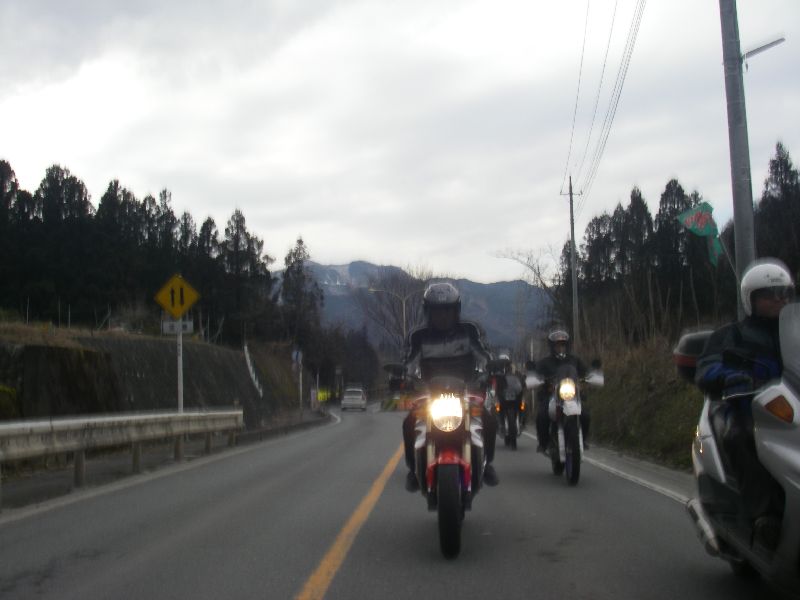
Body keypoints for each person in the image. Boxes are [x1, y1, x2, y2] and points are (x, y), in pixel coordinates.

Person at [695, 259, 795, 549]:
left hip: (792, 407)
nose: (779, 300)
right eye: (770, 294)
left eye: (784, 294)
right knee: (740, 437)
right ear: (751, 299)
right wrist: (729, 377)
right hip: (748, 409)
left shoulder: (795, 333)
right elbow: (707, 367)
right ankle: (765, 515)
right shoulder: (732, 335)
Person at [402, 281, 499, 492]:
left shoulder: (470, 331)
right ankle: (413, 469)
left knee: (489, 419)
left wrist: (489, 370)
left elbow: (483, 355)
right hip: (430, 394)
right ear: (428, 311)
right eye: (437, 311)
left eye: (447, 310)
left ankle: (487, 463)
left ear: (456, 310)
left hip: (466, 391)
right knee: (409, 423)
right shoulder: (417, 336)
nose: (442, 316)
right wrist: (405, 378)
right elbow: (409, 362)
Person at [534, 329, 589, 453]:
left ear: (567, 346)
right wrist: (537, 379)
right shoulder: (545, 362)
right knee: (541, 416)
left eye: (563, 345)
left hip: (572, 395)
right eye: (557, 345)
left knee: (585, 415)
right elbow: (536, 374)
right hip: (551, 395)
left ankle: (583, 440)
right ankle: (543, 443)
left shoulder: (574, 360)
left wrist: (589, 378)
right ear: (552, 347)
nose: (560, 348)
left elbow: (585, 372)